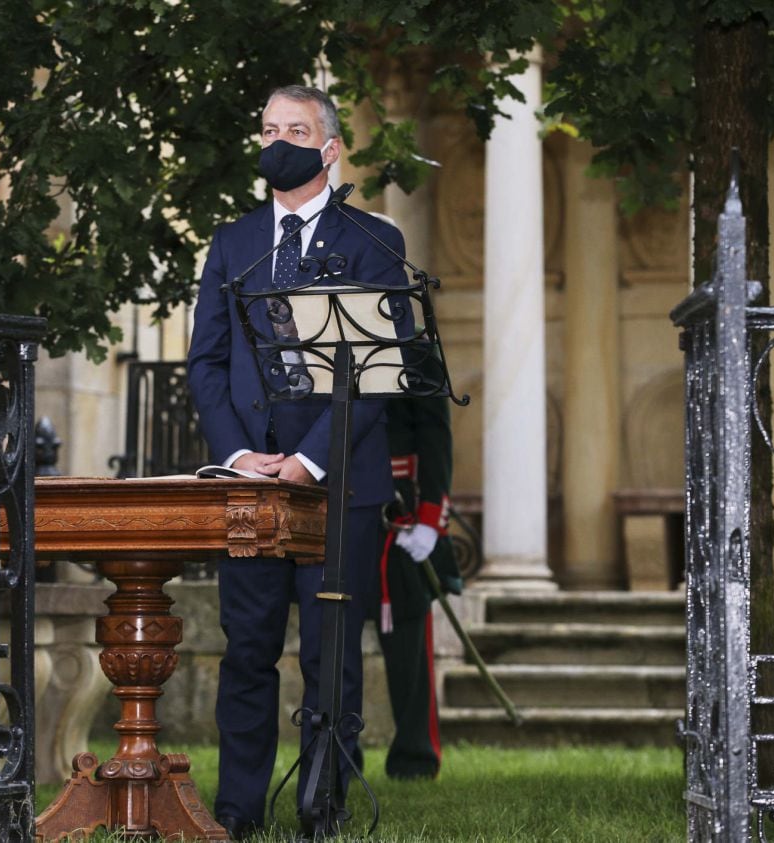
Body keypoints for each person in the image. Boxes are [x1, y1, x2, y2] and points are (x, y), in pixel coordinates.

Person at [187, 84, 409, 840]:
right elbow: (206, 364)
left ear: (330, 147)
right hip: (250, 487)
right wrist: (239, 455)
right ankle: (238, 806)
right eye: (269, 128)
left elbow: (382, 375)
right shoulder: (231, 243)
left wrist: (310, 460)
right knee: (247, 648)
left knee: (330, 651)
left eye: (296, 129)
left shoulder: (376, 243)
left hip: (336, 483)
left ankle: (324, 802)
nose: (277, 139)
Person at [378, 358, 463, 779]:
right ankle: (337, 758)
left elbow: (434, 435)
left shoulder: (417, 350)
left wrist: (430, 520)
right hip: (343, 509)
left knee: (410, 652)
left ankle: (415, 759)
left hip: (400, 520)